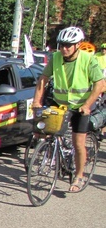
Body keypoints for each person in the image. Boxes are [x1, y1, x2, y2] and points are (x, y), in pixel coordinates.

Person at [33, 26, 104, 193]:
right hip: (60, 103)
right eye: (62, 45)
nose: (64, 49)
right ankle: (55, 151)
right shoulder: (56, 57)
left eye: (68, 45)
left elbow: (99, 85)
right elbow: (43, 78)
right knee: (45, 130)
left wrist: (87, 105)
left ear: (78, 45)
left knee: (78, 143)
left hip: (81, 106)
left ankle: (79, 175)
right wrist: (36, 100)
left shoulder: (88, 60)